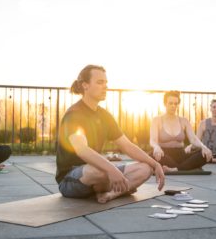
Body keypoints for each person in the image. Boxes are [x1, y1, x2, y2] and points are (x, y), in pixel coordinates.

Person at [56, 65, 165, 203]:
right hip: (71, 179)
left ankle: (110, 194)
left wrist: (155, 164)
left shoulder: (105, 116)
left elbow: (126, 146)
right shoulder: (74, 114)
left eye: (106, 83)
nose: (105, 86)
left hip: (101, 172)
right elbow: (82, 150)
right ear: (85, 85)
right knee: (99, 171)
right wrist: (111, 170)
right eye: (100, 82)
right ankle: (119, 187)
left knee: (145, 168)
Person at [150, 90, 212, 172]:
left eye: (176, 104)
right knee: (152, 155)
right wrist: (156, 147)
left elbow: (193, 139)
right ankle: (186, 167)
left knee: (205, 153)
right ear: (165, 104)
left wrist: (203, 147)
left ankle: (175, 169)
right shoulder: (157, 120)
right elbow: (153, 140)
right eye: (170, 103)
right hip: (164, 154)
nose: (173, 106)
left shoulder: (183, 120)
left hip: (181, 154)